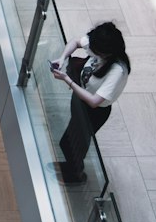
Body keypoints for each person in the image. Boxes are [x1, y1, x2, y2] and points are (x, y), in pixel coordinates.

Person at [51, 22, 131, 183]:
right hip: (81, 101)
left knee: (72, 144)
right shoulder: (99, 44)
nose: (90, 49)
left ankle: (76, 175)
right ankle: (70, 167)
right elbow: (75, 42)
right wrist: (62, 58)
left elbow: (95, 102)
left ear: (106, 53)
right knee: (70, 142)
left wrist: (68, 80)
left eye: (94, 50)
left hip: (93, 112)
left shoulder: (117, 71)